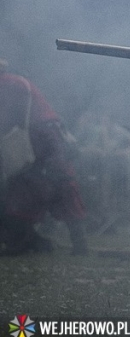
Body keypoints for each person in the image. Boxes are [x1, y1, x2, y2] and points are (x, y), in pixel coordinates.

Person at [0, 58, 87, 256]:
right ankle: (22, 243)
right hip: (33, 137)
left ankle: (80, 245)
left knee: (62, 183)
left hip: (45, 137)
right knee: (23, 187)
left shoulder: (12, 83)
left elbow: (11, 117)